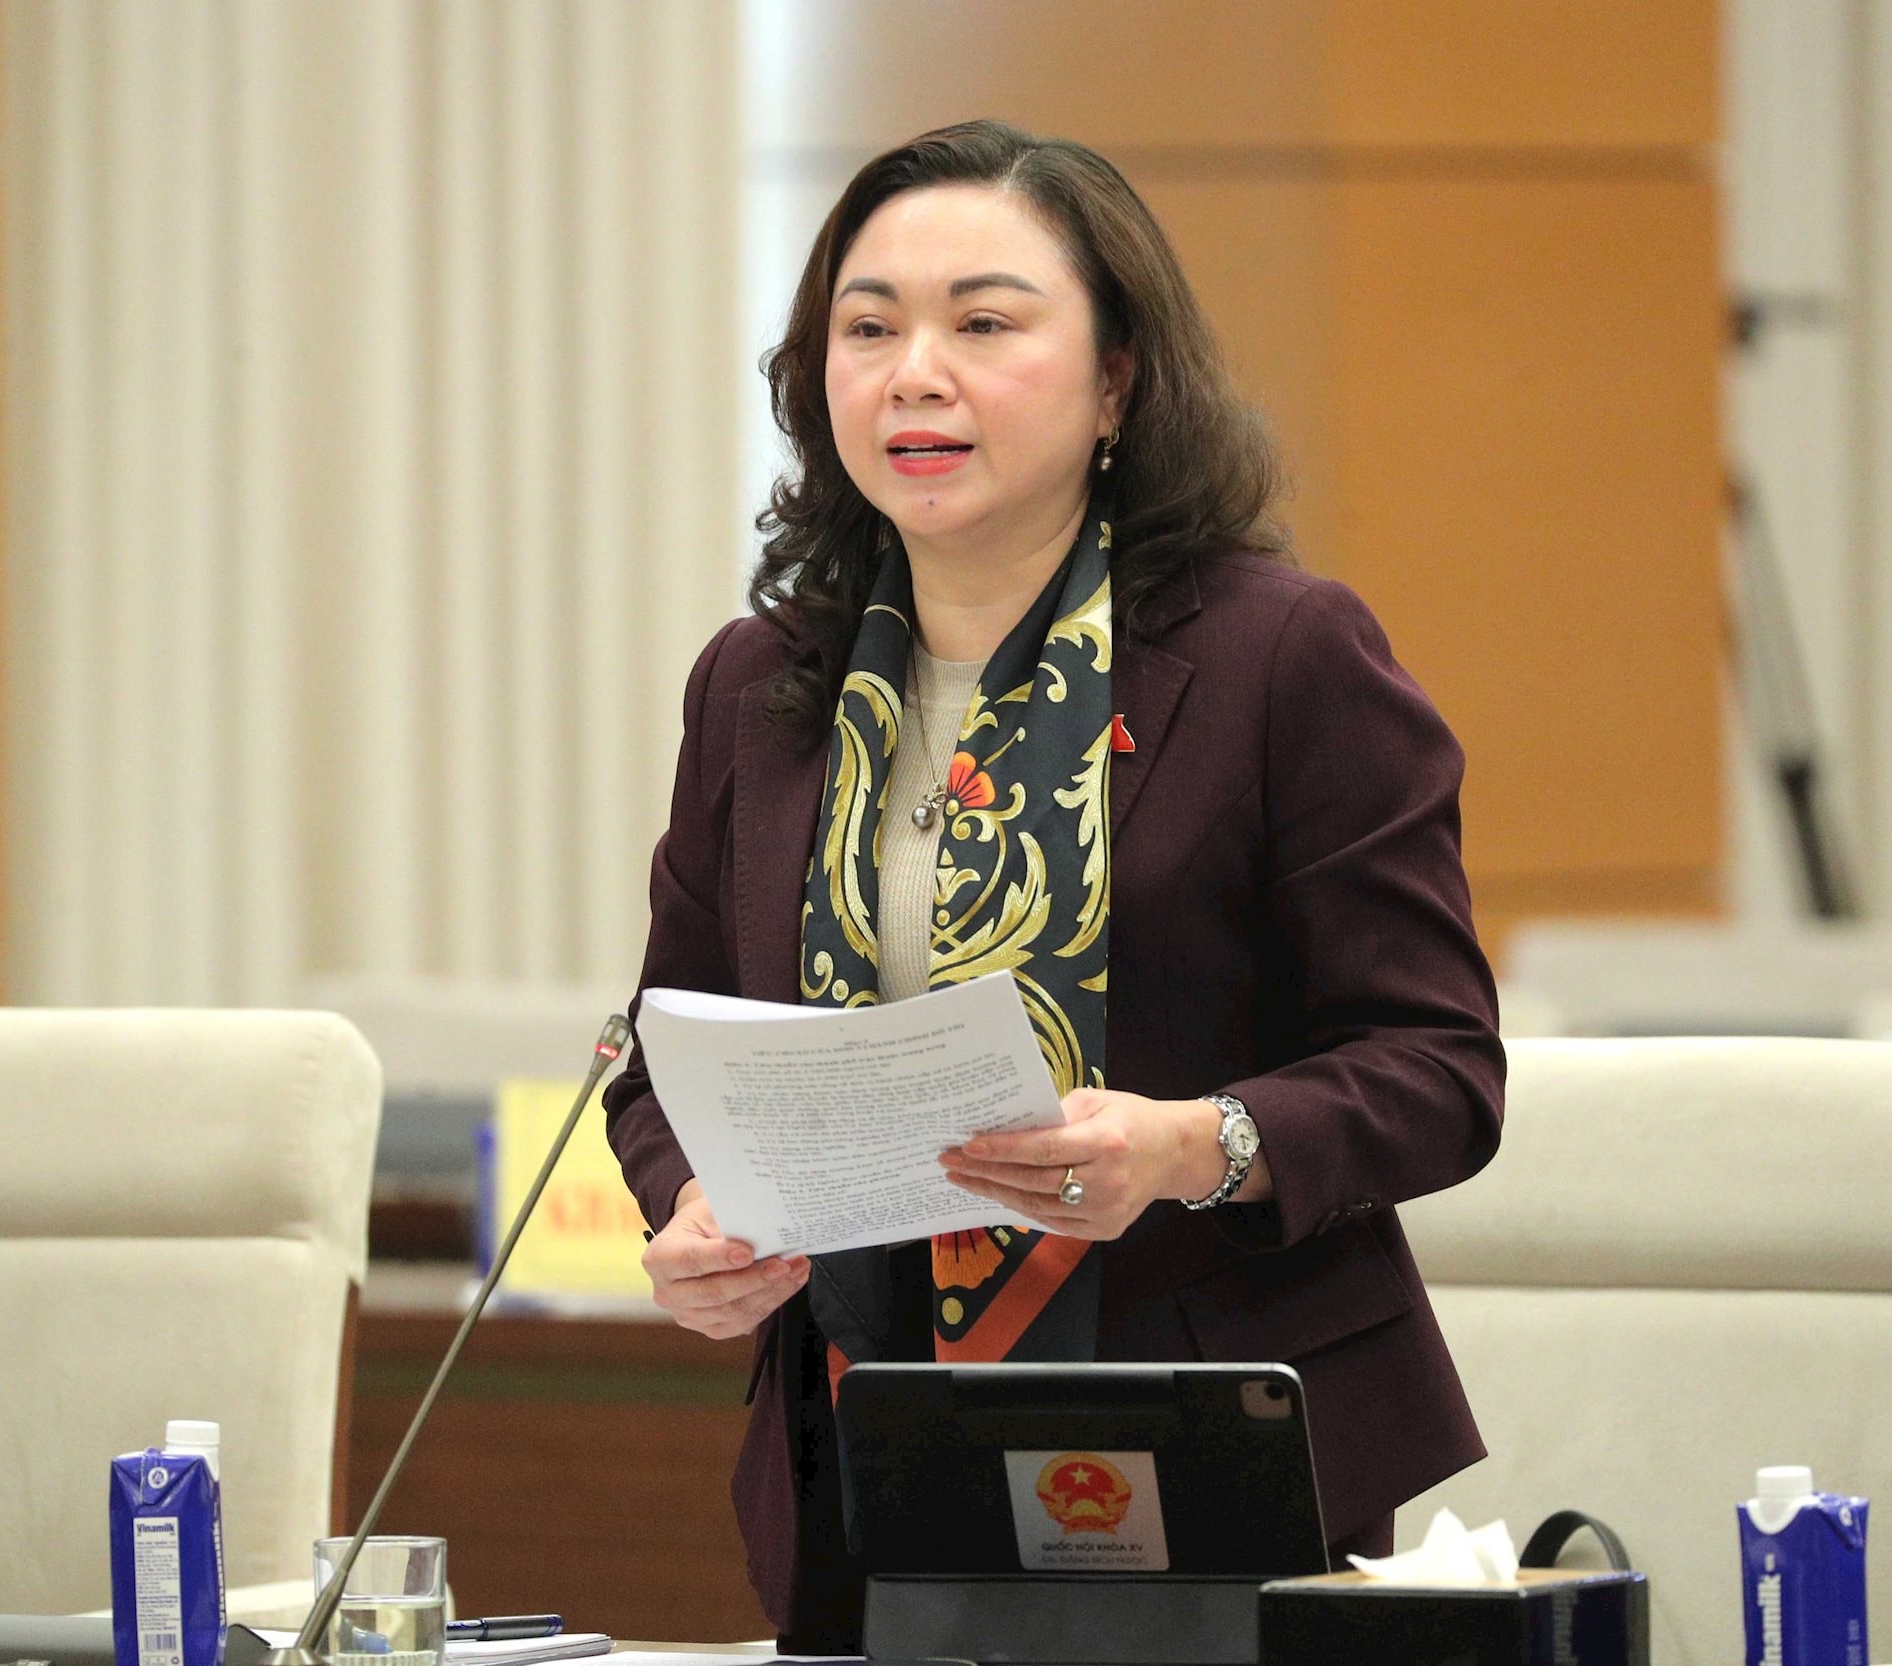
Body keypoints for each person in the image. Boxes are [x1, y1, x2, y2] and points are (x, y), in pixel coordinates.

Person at [603, 119, 1505, 1650]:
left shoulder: (1281, 658)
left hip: (1208, 1444)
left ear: (1117, 382)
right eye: (869, 328)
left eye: (984, 324)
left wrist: (1190, 1144)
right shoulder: (760, 686)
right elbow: (661, 1048)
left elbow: (1440, 1069)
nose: (915, 374)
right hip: (863, 1448)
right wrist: (691, 1203)